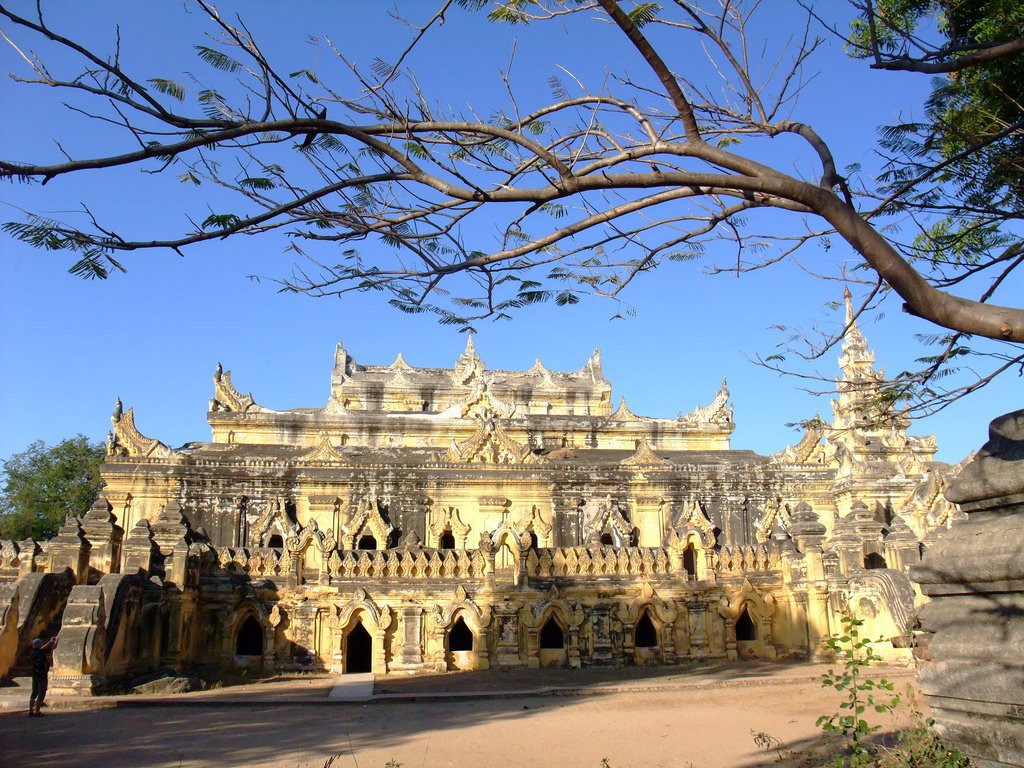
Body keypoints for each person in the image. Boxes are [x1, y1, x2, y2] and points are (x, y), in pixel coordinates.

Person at [28, 636, 57, 717]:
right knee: (41, 693)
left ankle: (30, 711)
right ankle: (37, 711)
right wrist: (57, 640)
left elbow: (40, 648)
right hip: (42, 675)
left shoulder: (33, 653)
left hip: (35, 674)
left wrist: (49, 642)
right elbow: (54, 647)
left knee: (34, 693)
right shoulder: (41, 652)